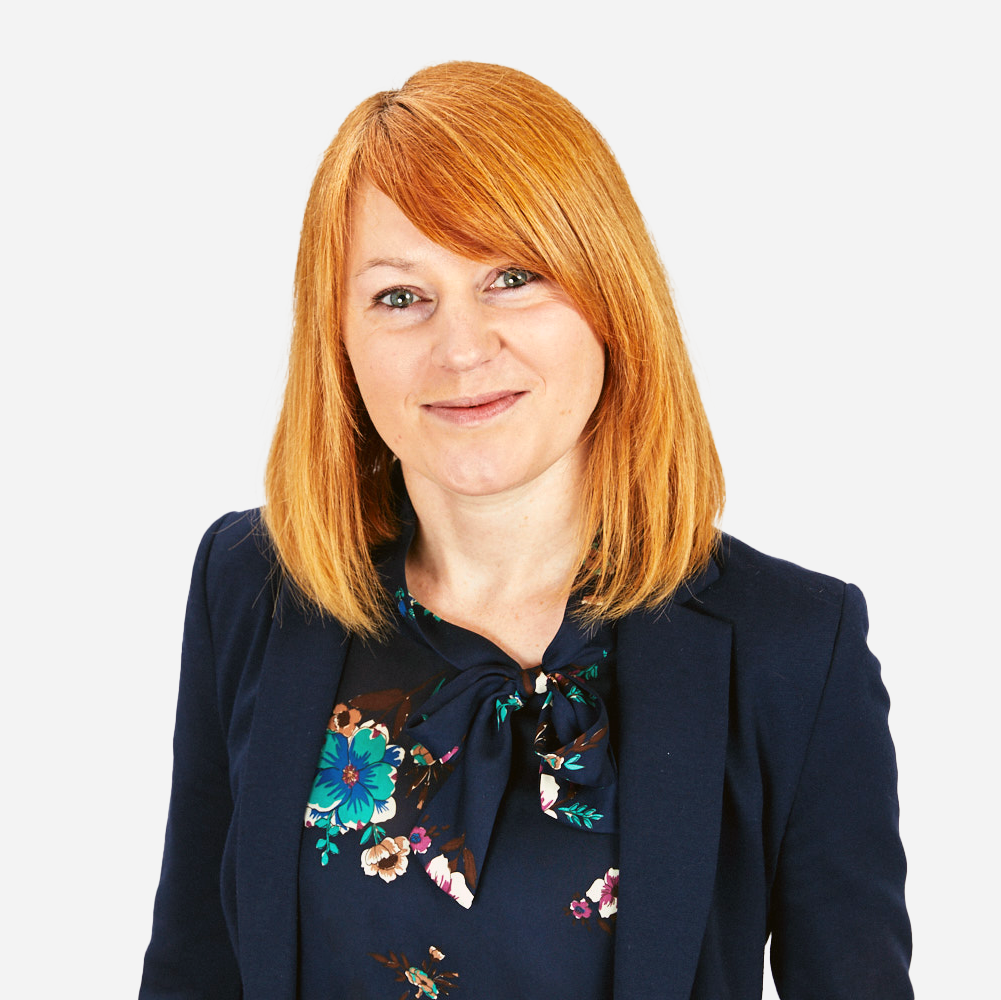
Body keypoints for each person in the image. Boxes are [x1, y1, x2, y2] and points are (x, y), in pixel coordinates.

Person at [139, 62, 912, 999]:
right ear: (336, 339)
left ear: (610, 299)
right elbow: (194, 971)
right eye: (398, 296)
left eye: (512, 278)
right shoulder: (254, 585)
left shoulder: (792, 646)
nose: (460, 348)